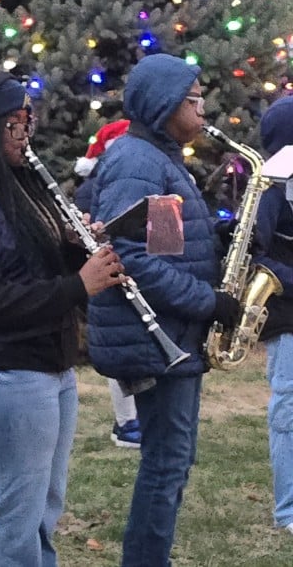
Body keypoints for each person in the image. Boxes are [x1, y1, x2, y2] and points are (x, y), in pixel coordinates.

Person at [0, 64, 124, 566]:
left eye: (26, 121)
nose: (24, 135)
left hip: (44, 366)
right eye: (12, 124)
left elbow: (27, 268)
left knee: (41, 511)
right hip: (1, 372)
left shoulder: (16, 185)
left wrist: (70, 247)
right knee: (10, 521)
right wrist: (77, 283)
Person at [86, 53, 240, 566]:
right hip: (155, 338)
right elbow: (130, 258)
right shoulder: (137, 161)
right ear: (164, 104)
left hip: (167, 335)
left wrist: (218, 236)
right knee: (166, 461)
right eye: (193, 101)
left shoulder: (157, 157)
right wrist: (208, 302)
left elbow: (164, 243)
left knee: (172, 459)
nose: (202, 111)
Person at [73, 119, 142, 449]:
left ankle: (134, 417)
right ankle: (126, 420)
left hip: (122, 271)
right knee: (122, 350)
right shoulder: (94, 187)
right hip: (108, 276)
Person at [254, 95, 293, 536]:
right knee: (288, 410)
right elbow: (257, 256)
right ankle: (288, 509)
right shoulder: (271, 190)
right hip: (287, 314)